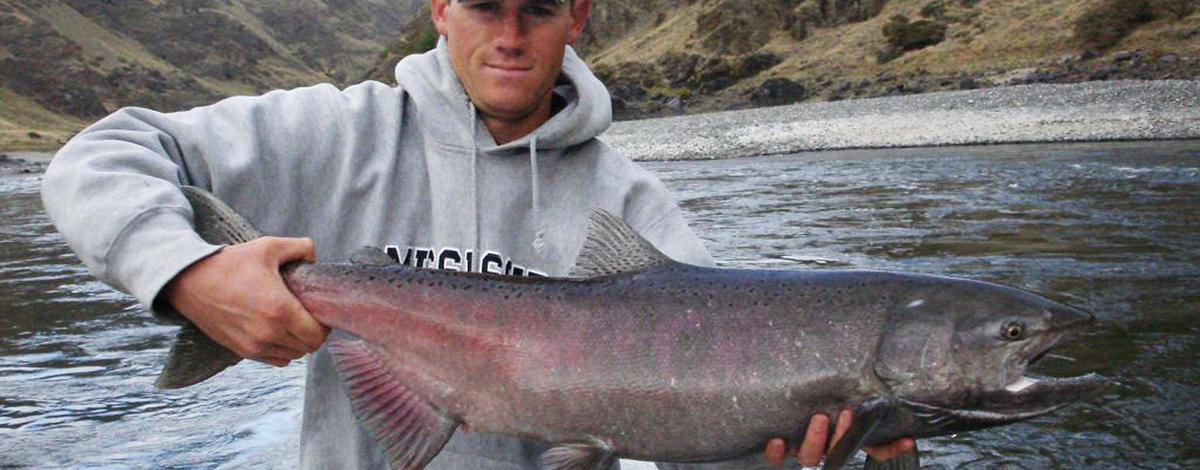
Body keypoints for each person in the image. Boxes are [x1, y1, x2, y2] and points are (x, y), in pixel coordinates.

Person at [41, 0, 913, 468]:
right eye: (484, 4)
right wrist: (186, 274)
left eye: (536, 9)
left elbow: (703, 429)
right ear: (439, 8)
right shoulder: (336, 134)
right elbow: (103, 154)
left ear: (578, 17)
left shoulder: (631, 202)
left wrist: (788, 455)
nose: (507, 35)